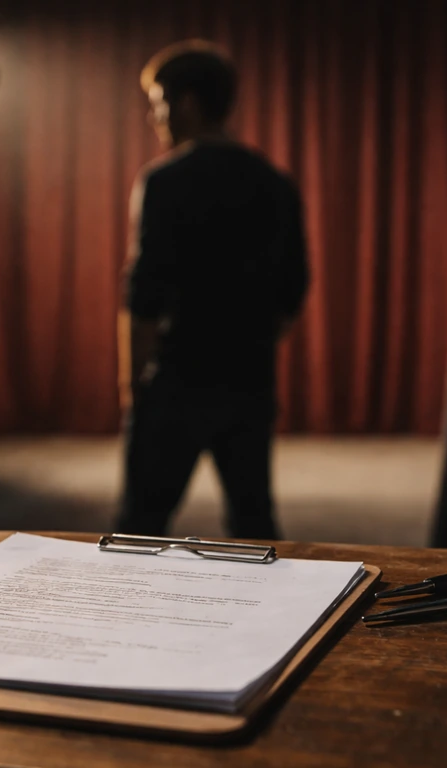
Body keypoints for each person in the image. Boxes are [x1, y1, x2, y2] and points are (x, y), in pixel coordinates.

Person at [117, 40, 309, 539]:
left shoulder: (163, 181)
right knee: (254, 527)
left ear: (187, 104)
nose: (154, 119)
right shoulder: (275, 183)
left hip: (177, 379)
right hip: (249, 379)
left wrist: (132, 384)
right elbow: (293, 290)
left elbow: (143, 296)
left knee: (140, 528)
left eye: (158, 105)